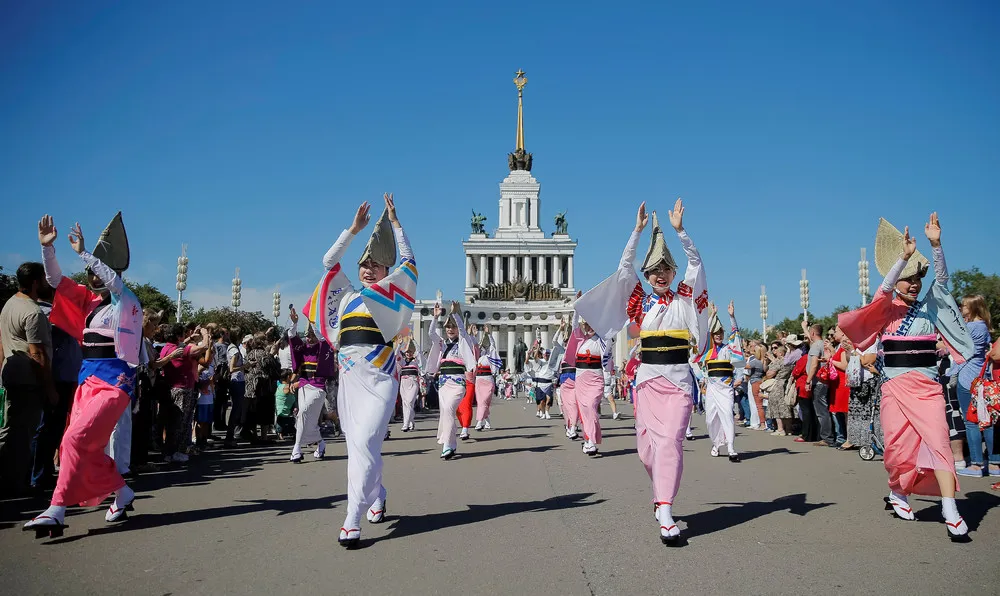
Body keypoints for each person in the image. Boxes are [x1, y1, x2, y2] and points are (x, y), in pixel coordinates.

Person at [574, 198, 709, 546]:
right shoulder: (640, 302)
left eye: (665, 269)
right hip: (647, 385)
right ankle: (659, 493)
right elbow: (623, 268)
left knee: (669, 444)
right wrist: (636, 232)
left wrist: (680, 232)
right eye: (653, 270)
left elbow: (697, 262)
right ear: (648, 277)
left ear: (673, 273)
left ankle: (665, 510)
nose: (659, 274)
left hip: (678, 383)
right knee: (648, 451)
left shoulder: (684, 298)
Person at [839, 214, 974, 541]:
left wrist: (936, 245)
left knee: (941, 443)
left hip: (928, 390)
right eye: (908, 278)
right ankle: (899, 493)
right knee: (898, 454)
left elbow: (941, 280)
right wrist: (902, 258)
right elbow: (884, 290)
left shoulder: (930, 308)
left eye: (917, 277)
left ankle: (950, 508)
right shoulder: (884, 312)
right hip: (894, 392)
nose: (914, 283)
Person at [305, 193, 417, 548]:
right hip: (349, 381)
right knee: (360, 449)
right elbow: (328, 261)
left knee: (367, 441)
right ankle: (378, 492)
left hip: (382, 380)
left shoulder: (390, 298)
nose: (368, 268)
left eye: (375, 264)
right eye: (364, 263)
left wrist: (396, 225)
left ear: (387, 272)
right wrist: (353, 230)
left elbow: (410, 261)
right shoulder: (348, 295)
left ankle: (352, 517)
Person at [25, 214, 144, 537]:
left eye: (96, 270)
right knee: (75, 446)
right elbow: (55, 281)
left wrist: (84, 253)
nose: (91, 275)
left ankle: (56, 509)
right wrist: (47, 249)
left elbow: (114, 281)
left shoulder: (127, 301)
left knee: (74, 440)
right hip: (87, 381)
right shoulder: (89, 302)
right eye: (90, 271)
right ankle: (122, 492)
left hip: (114, 384)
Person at [0, 262, 54, 496]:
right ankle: (16, 484)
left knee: (9, 429)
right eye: (43, 279)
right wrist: (50, 387)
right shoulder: (32, 312)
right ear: (35, 282)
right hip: (27, 379)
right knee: (23, 435)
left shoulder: (9, 305)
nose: (46, 283)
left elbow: (2, 343)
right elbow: (37, 353)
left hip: (10, 375)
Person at [696, 301, 745, 462]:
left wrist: (732, 317)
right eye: (715, 333)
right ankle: (716, 444)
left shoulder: (728, 349)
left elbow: (735, 336)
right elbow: (703, 334)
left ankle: (731, 447)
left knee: (727, 415)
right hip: (711, 388)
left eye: (720, 333)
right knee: (711, 419)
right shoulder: (707, 351)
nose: (718, 335)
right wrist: (712, 315)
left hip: (725, 388)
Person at [426, 302, 476, 459]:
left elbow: (462, 329)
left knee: (448, 410)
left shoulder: (463, 340)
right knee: (445, 413)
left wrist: (455, 313)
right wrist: (435, 317)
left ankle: (446, 445)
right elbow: (430, 333)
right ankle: (451, 444)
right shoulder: (441, 343)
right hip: (443, 383)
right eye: (448, 327)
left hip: (458, 382)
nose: (450, 329)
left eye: (452, 327)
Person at [953, 295, 996, 477]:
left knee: (971, 422)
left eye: (963, 306)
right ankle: (994, 463)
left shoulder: (969, 327)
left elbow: (952, 344)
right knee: (988, 421)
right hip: (981, 376)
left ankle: (976, 464)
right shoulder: (983, 327)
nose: (961, 309)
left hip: (966, 377)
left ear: (972, 307)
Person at [287, 309, 335, 462]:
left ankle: (296, 448)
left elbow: (323, 339)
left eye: (312, 336)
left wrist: (313, 322)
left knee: (304, 413)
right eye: (307, 336)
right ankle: (320, 442)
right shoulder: (303, 349)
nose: (309, 339)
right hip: (303, 386)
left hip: (318, 387)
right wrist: (295, 323)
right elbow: (291, 337)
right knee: (306, 417)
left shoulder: (322, 348)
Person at [568, 311, 614, 456]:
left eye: (591, 324)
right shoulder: (580, 339)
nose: (588, 327)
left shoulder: (602, 341)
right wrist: (577, 310)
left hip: (595, 378)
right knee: (584, 411)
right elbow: (574, 326)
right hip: (581, 379)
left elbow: (609, 343)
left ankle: (592, 441)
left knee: (591, 408)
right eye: (586, 324)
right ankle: (588, 441)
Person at [473, 325, 502, 431]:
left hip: (488, 380)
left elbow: (493, 346)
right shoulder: (477, 356)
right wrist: (474, 336)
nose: (483, 347)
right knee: (481, 402)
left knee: (484, 401)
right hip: (479, 380)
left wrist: (489, 334)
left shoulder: (490, 355)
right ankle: (487, 422)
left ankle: (479, 422)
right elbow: (473, 346)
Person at [398, 336, 424, 432]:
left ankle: (405, 424)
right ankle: (411, 421)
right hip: (403, 384)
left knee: (409, 402)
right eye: (407, 352)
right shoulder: (402, 361)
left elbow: (419, 352)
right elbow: (396, 354)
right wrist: (399, 345)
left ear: (412, 353)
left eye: (410, 352)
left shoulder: (416, 361)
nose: (408, 354)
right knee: (406, 404)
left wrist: (414, 340)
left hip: (413, 383)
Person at [274, 370, 297, 440]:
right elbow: (299, 384)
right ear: (288, 377)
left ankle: (283, 432)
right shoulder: (286, 387)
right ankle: (280, 433)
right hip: (283, 414)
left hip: (287, 412)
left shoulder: (280, 385)